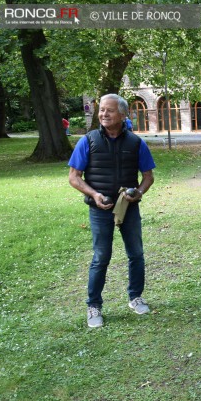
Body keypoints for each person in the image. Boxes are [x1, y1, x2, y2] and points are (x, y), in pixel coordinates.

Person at [68, 94, 156, 328]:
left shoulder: (137, 143)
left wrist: (138, 192)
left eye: (109, 110)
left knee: (136, 254)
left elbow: (148, 177)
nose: (104, 114)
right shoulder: (88, 141)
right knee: (101, 257)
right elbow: (74, 177)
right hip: (99, 208)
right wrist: (94, 195)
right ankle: (93, 306)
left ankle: (135, 297)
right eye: (101, 110)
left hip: (128, 207)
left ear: (123, 115)